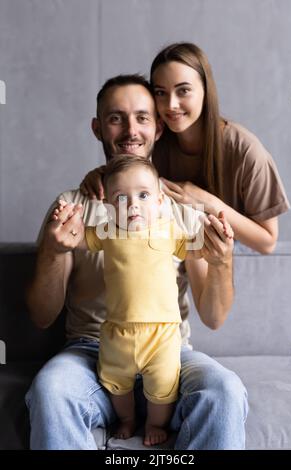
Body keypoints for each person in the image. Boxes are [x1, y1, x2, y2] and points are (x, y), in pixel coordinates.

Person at [26, 74, 246, 451]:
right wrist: (53, 251)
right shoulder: (73, 209)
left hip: (169, 347)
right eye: (116, 118)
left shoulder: (177, 209)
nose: (131, 129)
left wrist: (222, 261)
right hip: (93, 350)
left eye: (142, 117)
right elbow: (42, 315)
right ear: (98, 128)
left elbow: (213, 317)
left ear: (158, 128)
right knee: (50, 390)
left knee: (225, 391)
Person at [51, 155, 232, 446]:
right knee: (116, 384)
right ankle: (126, 419)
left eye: (144, 195)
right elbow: (80, 239)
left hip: (162, 335)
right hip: (116, 333)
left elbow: (197, 249)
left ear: (160, 202)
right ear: (109, 208)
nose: (132, 205)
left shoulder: (170, 229)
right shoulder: (107, 232)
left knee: (163, 387)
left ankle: (155, 423)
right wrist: (66, 228)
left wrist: (218, 235)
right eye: (121, 198)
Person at [81, 43, 290, 255]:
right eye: (161, 93)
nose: (171, 104)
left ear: (205, 91)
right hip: (169, 252)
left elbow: (267, 242)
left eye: (183, 91)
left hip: (225, 254)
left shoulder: (245, 151)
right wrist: (101, 175)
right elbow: (129, 175)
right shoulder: (155, 136)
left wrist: (207, 202)